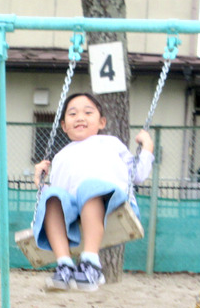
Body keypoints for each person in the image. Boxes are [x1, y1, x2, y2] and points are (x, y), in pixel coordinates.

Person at [32, 92, 154, 291]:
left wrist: (147, 146)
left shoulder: (111, 143)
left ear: (102, 122)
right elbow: (62, 197)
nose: (80, 117)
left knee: (90, 187)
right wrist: (41, 183)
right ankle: (65, 265)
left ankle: (91, 264)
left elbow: (138, 175)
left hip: (114, 203)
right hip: (78, 212)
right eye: (72, 114)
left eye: (88, 112)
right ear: (63, 126)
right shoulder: (61, 157)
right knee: (51, 198)